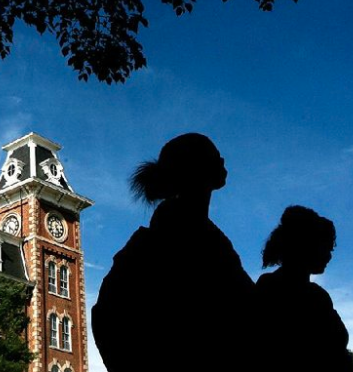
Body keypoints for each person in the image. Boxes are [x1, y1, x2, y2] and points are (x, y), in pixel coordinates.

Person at [91, 133, 254, 372]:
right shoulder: (184, 244)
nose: (222, 162)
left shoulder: (208, 241)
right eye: (215, 156)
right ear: (196, 169)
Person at [255, 206, 353, 372]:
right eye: (326, 247)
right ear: (305, 244)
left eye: (331, 249)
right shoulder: (271, 287)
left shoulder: (319, 295)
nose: (329, 255)